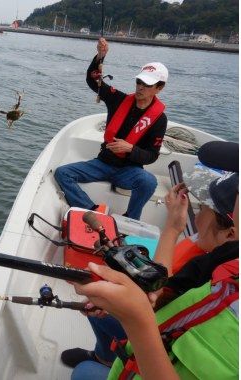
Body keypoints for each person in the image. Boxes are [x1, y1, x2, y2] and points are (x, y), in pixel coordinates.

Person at [69, 141, 239, 379]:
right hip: (156, 341)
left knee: (82, 373)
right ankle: (104, 358)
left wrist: (136, 319)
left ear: (231, 234)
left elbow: (155, 303)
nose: (196, 213)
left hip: (151, 347)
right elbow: (163, 287)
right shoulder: (221, 261)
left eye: (203, 209)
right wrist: (172, 227)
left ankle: (102, 360)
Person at [54, 38, 168, 220]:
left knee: (149, 181)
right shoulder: (119, 100)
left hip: (129, 171)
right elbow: (93, 81)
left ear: (159, 88)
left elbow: (152, 156)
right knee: (62, 173)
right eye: (139, 81)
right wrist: (100, 56)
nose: (140, 87)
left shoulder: (159, 120)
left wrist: (130, 149)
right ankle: (91, 210)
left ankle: (130, 218)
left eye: (147, 84)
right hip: (102, 163)